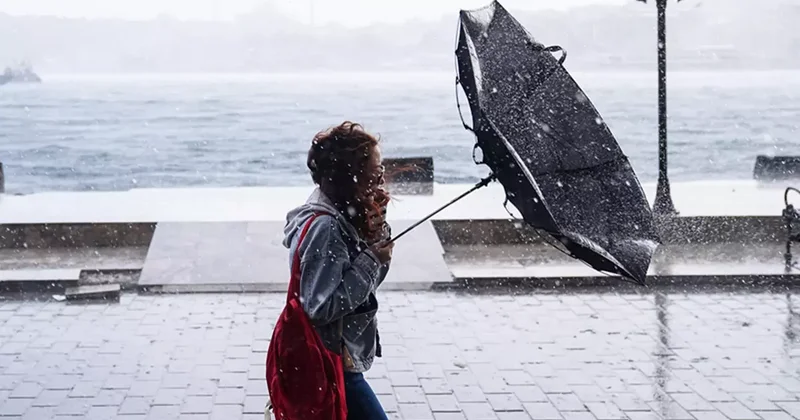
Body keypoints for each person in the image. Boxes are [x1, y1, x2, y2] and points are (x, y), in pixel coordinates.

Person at [281, 121, 394, 420]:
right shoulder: (326, 227)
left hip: (336, 361)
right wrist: (370, 259)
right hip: (332, 362)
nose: (381, 180)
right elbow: (320, 306)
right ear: (350, 176)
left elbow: (367, 287)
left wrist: (376, 235)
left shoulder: (340, 215)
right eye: (375, 172)